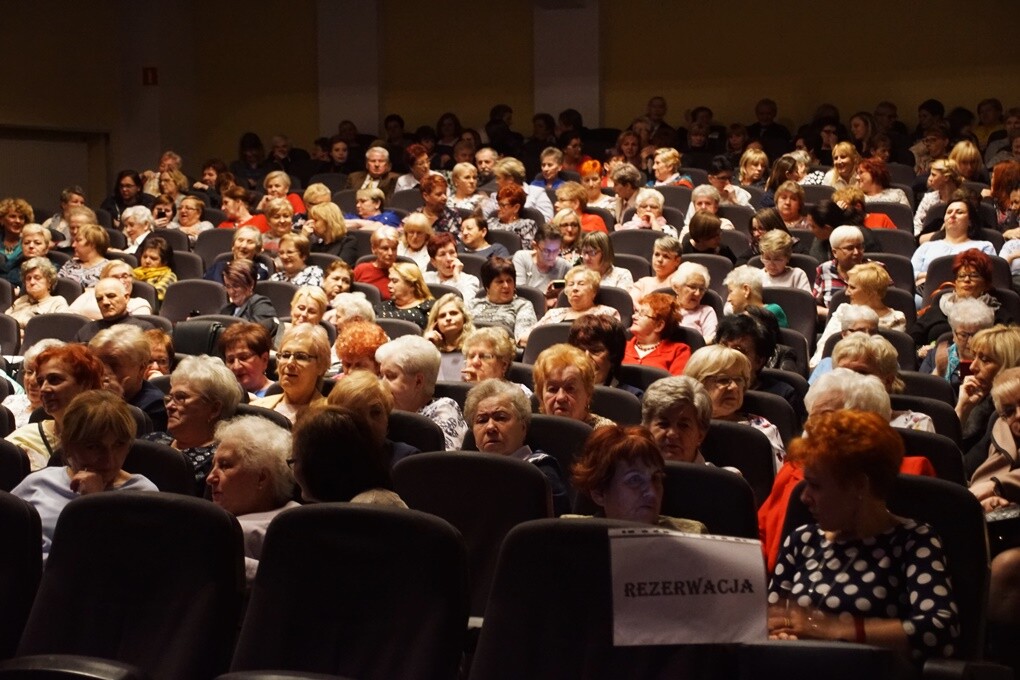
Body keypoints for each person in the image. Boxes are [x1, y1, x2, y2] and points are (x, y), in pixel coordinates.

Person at [767, 409, 959, 662]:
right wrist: (778, 635)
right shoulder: (802, 540)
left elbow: (940, 630)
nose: (804, 498)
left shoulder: (913, 542)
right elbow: (771, 620)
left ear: (859, 486)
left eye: (816, 485)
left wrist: (836, 631)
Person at [12, 391, 158, 561]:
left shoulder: (144, 494)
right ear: (68, 446)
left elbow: (127, 568)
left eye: (119, 445)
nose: (109, 460)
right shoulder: (38, 483)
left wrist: (94, 502)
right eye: (93, 447)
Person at [204, 415, 298, 583]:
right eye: (213, 466)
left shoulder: (290, 530)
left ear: (261, 478)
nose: (210, 478)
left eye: (225, 466)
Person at [570, 424, 707, 531]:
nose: (652, 493)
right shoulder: (569, 537)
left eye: (655, 478)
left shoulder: (691, 538)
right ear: (599, 493)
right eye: (634, 480)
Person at [465, 378, 568, 515]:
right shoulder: (465, 472)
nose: (490, 427)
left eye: (500, 417)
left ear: (523, 427)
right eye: (482, 420)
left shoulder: (540, 473)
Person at [144, 355, 241, 492]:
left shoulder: (218, 464)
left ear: (214, 409)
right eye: (170, 398)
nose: (169, 406)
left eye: (181, 398)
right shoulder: (151, 441)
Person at [684, 345, 785, 470]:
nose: (734, 387)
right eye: (723, 379)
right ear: (698, 383)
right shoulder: (679, 424)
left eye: (739, 380)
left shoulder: (763, 431)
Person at [6, 344, 105, 470]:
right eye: (41, 381)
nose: (43, 389)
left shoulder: (109, 438)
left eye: (55, 380)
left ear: (86, 384)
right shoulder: (24, 438)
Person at [376, 335, 468, 450]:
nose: (381, 384)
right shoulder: (379, 411)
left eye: (391, 376)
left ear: (418, 382)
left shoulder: (444, 408)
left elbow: (443, 464)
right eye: (381, 376)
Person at [912, 248, 1015, 347]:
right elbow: (913, 341)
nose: (966, 279)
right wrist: (924, 350)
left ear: (986, 284)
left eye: (974, 275)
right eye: (961, 276)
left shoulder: (997, 314)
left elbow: (1010, 346)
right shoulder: (937, 309)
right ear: (955, 282)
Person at [812, 262, 906, 368]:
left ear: (871, 293)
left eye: (852, 288)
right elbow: (823, 349)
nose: (847, 293)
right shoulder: (843, 310)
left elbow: (886, 359)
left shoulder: (896, 319)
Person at [88, 325, 169, 431]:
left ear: (141, 369)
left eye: (113, 365)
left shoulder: (155, 406)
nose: (103, 372)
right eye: (98, 364)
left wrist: (113, 404)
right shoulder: (85, 392)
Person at [956, 325, 1020, 453]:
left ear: (1009, 366)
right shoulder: (980, 397)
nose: (972, 367)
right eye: (974, 357)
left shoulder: (1006, 415)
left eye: (985, 360)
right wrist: (962, 408)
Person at [912, 194, 995, 289]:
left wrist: (932, 276)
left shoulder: (984, 247)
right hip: (926, 293)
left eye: (959, 212)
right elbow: (910, 274)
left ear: (970, 221)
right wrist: (926, 276)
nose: (952, 215)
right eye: (949, 212)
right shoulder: (926, 246)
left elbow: (987, 278)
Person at [252, 324, 331, 423]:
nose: (289, 363)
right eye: (285, 355)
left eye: (301, 357)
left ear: (321, 366)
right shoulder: (257, 407)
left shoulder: (330, 417)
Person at [533, 343, 614, 429]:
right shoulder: (529, 430)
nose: (561, 397)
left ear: (588, 394)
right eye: (552, 389)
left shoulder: (606, 434)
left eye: (570, 389)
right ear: (541, 396)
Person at [641, 375, 715, 463]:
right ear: (645, 428)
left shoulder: (721, 476)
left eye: (683, 425)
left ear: (700, 436)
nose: (672, 434)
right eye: (663, 424)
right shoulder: (623, 474)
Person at [467, 256, 538, 347]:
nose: (506, 286)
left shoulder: (522, 305)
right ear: (487, 287)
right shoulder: (473, 304)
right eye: (499, 282)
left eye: (509, 281)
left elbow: (521, 340)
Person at [530, 266, 620, 332]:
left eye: (581, 284)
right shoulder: (553, 314)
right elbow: (529, 336)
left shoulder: (608, 313)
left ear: (594, 291)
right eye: (571, 284)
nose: (575, 288)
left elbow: (612, 342)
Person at [625, 293, 690, 375]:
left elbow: (677, 385)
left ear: (659, 325)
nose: (634, 316)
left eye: (642, 314)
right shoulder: (621, 346)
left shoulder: (679, 351)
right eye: (637, 312)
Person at [73, 278, 155, 343]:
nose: (105, 302)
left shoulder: (144, 329)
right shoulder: (87, 330)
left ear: (126, 298)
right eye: (99, 299)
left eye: (111, 296)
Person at [812, 225, 868, 314]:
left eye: (859, 247)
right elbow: (815, 306)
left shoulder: (876, 269)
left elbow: (890, 304)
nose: (856, 252)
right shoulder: (824, 269)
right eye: (850, 248)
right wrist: (836, 315)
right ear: (834, 252)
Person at [5, 257, 68, 331]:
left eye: (37, 278)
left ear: (49, 282)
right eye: (28, 278)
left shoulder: (57, 302)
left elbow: (59, 331)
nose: (32, 282)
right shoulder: (20, 300)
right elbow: (5, 322)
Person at [424, 293, 474, 381]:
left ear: (464, 318)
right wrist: (426, 345)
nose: (448, 318)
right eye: (442, 316)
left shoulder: (475, 345)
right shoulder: (431, 348)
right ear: (435, 323)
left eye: (453, 313)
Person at [220, 260, 278, 333]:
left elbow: (256, 337)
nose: (231, 291)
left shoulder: (262, 306)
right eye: (228, 286)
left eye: (236, 286)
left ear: (251, 285)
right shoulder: (225, 310)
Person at [374, 261, 435, 330]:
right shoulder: (382, 307)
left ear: (411, 285)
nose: (389, 285)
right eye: (390, 280)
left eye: (394, 281)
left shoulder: (428, 309)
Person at [219, 322, 274, 398]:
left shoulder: (279, 395)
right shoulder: (222, 397)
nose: (236, 366)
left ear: (264, 359)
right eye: (231, 360)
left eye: (244, 358)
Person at [723, 265, 788, 327]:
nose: (728, 299)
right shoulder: (738, 317)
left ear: (746, 290)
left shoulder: (773, 310)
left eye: (731, 291)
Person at [671, 261, 718, 341]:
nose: (697, 293)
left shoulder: (707, 312)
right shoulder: (666, 308)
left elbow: (711, 340)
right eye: (692, 287)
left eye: (702, 289)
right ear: (677, 287)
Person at [914, 158, 963, 235]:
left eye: (933, 175)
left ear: (946, 177)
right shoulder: (929, 198)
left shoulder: (963, 199)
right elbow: (917, 223)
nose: (929, 179)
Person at [629, 235, 682, 304]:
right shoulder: (643, 282)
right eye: (657, 254)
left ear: (677, 261)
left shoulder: (681, 283)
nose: (659, 260)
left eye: (666, 256)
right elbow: (631, 303)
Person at [353, 226, 399, 301]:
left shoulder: (403, 273)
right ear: (374, 249)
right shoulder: (361, 269)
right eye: (385, 248)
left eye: (394, 248)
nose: (390, 253)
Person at [57, 223, 109, 288]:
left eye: (78, 241)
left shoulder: (108, 268)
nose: (73, 245)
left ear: (92, 244)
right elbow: (57, 285)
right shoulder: (70, 263)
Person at [487, 182, 536, 249]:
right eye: (498, 204)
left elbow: (525, 252)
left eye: (503, 205)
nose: (498, 208)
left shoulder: (527, 225)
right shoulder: (490, 222)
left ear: (516, 208)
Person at [132, 236, 176, 301]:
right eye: (144, 257)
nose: (147, 261)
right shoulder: (135, 272)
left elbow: (154, 295)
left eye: (153, 258)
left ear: (165, 262)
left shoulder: (169, 276)